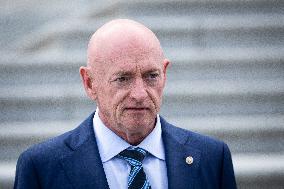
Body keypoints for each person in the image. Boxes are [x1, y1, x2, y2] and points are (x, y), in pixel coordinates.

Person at [14, 19, 237, 189]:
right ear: (90, 83)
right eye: (122, 78)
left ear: (165, 74)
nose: (140, 94)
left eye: (151, 76)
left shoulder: (212, 158)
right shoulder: (41, 168)